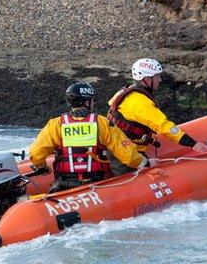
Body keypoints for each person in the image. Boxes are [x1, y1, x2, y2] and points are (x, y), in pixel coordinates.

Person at [29, 82, 159, 193]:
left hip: (64, 184)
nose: (94, 102)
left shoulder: (56, 125)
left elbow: (36, 153)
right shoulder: (102, 123)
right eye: (92, 100)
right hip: (96, 184)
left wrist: (42, 167)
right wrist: (145, 163)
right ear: (87, 102)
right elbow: (126, 152)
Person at [107, 58, 207, 175]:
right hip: (126, 153)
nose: (160, 80)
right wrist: (194, 144)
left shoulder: (126, 92)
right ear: (146, 79)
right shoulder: (140, 102)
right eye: (157, 76)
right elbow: (164, 126)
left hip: (122, 148)